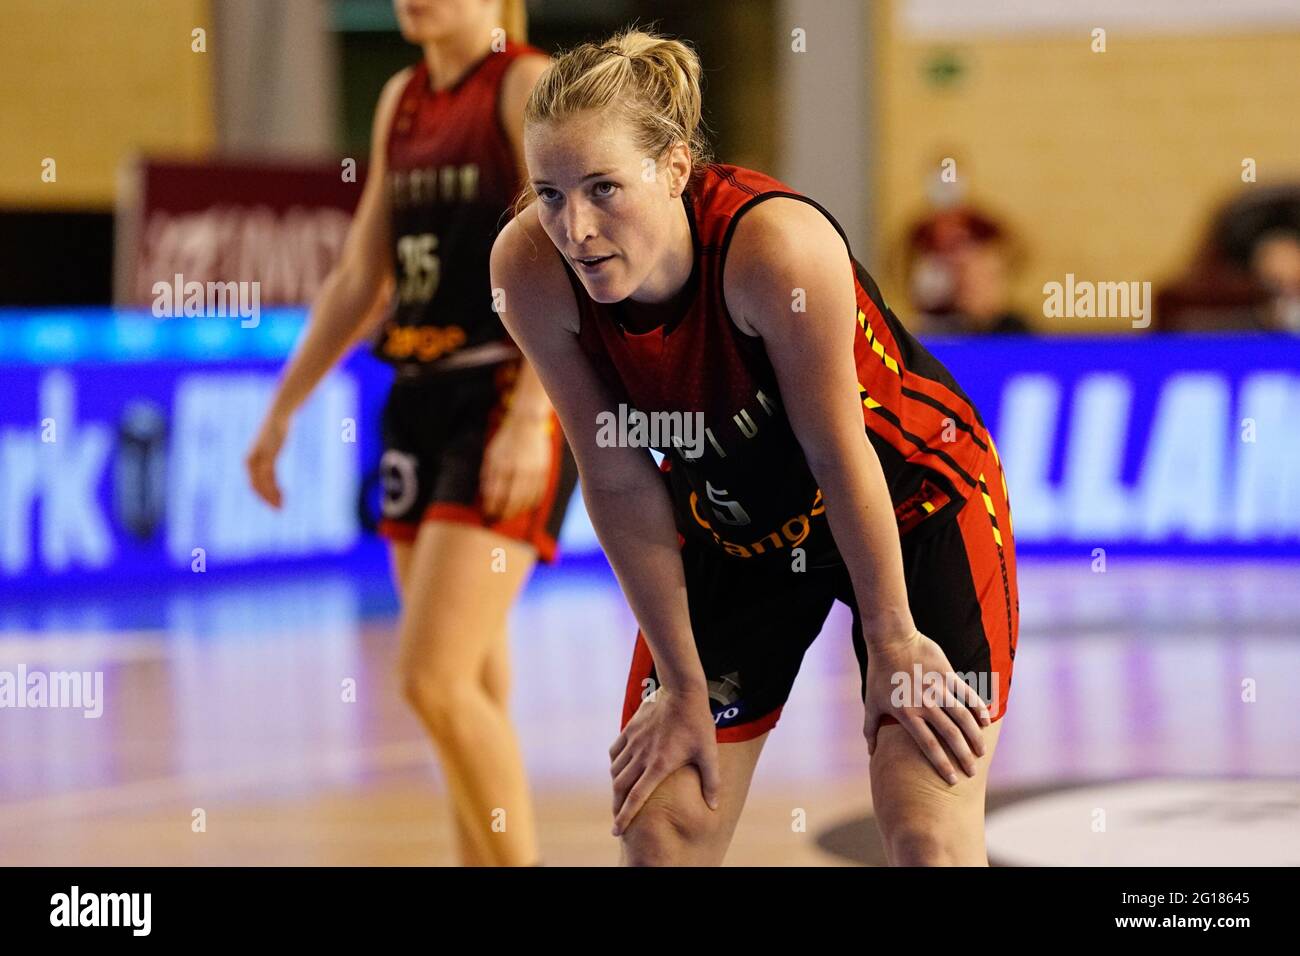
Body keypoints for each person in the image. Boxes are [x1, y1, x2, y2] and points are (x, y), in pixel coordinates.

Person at [490, 29, 1019, 866]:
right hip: (735, 535)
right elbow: (619, 478)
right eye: (549, 194)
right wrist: (683, 682)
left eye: (603, 188)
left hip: (911, 506)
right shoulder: (527, 272)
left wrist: (891, 638)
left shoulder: (775, 250)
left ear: (672, 166)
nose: (576, 228)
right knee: (661, 832)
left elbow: (839, 457)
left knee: (926, 836)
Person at [245, 0, 575, 867]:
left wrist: (534, 413)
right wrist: (285, 406)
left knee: (430, 679)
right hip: (418, 400)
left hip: (505, 390)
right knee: (474, 687)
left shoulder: (526, 83)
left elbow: (572, 251)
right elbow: (363, 273)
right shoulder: (402, 98)